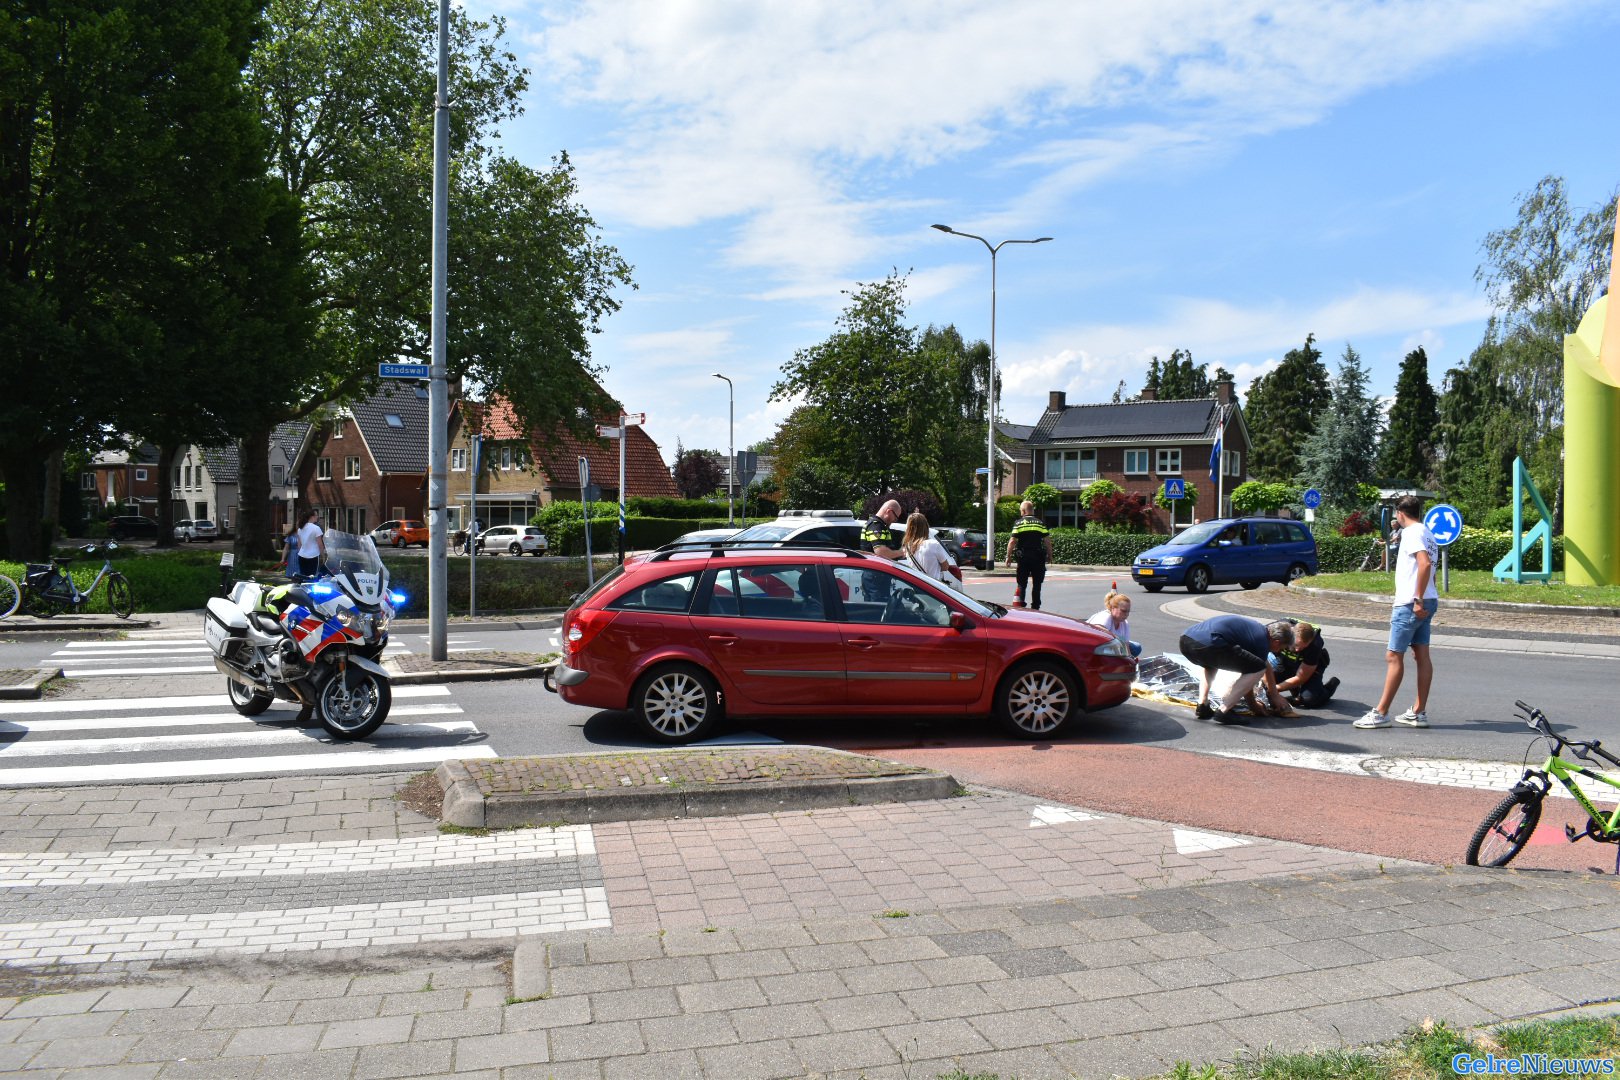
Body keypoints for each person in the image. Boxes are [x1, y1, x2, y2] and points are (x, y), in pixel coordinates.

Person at [1357, 495, 1439, 729]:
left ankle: (1381, 713)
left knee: (1394, 656)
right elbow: (1430, 568)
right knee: (1421, 655)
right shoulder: (1427, 532)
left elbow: (1423, 564)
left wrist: (1417, 598)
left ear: (1400, 513)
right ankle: (1418, 712)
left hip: (1411, 603)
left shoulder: (1411, 532)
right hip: (1429, 599)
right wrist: (1426, 596)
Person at [1178, 614, 1296, 725]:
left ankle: (1202, 705)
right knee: (1258, 668)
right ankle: (1224, 711)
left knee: (1211, 663)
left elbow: (1263, 664)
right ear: (1276, 641)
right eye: (1281, 648)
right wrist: (1253, 705)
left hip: (1186, 641)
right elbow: (1255, 671)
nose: (1278, 652)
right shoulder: (1262, 642)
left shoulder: (1258, 630)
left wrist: (1274, 694)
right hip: (1210, 645)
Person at [1271, 620, 1339, 708]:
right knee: (1263, 685)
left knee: (1309, 699)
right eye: (1295, 645)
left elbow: (1301, 677)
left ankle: (1329, 687)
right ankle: (1294, 689)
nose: (1297, 650)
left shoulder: (1315, 644)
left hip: (1308, 667)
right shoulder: (1278, 631)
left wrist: (1274, 689)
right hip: (1284, 663)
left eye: (1303, 647)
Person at [1006, 501, 1052, 610]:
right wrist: (1050, 555)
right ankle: (1036, 607)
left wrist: (1008, 556)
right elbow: (1047, 541)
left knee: (1022, 584)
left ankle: (1021, 607)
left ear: (1023, 511)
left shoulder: (1019, 523)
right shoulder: (1040, 523)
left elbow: (1012, 541)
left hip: (1023, 558)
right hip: (1038, 557)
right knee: (1037, 585)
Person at [899, 512, 961, 589]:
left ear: (909, 528)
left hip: (916, 587)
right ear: (925, 527)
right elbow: (945, 566)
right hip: (933, 588)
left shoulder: (908, 547)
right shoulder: (933, 544)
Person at [858, 500, 904, 601]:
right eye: (895, 517)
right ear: (889, 511)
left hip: (875, 575)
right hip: (876, 576)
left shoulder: (878, 525)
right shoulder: (876, 526)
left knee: (874, 610)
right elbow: (881, 552)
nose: (895, 520)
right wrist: (902, 552)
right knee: (877, 610)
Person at [1087, 591, 1142, 658]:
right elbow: (1097, 635)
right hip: (1093, 646)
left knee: (1136, 647)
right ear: (1113, 608)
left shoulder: (1124, 623)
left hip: (1109, 645)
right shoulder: (1105, 617)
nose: (1127, 614)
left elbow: (1126, 645)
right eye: (1123, 611)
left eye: (1128, 611)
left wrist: (1129, 658)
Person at [294, 510, 325, 579]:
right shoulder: (316, 528)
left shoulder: (300, 528)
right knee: (312, 577)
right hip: (313, 555)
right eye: (316, 515)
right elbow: (320, 544)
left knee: (303, 576)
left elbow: (299, 544)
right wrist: (323, 555)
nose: (317, 517)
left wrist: (300, 552)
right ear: (312, 517)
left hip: (302, 555)